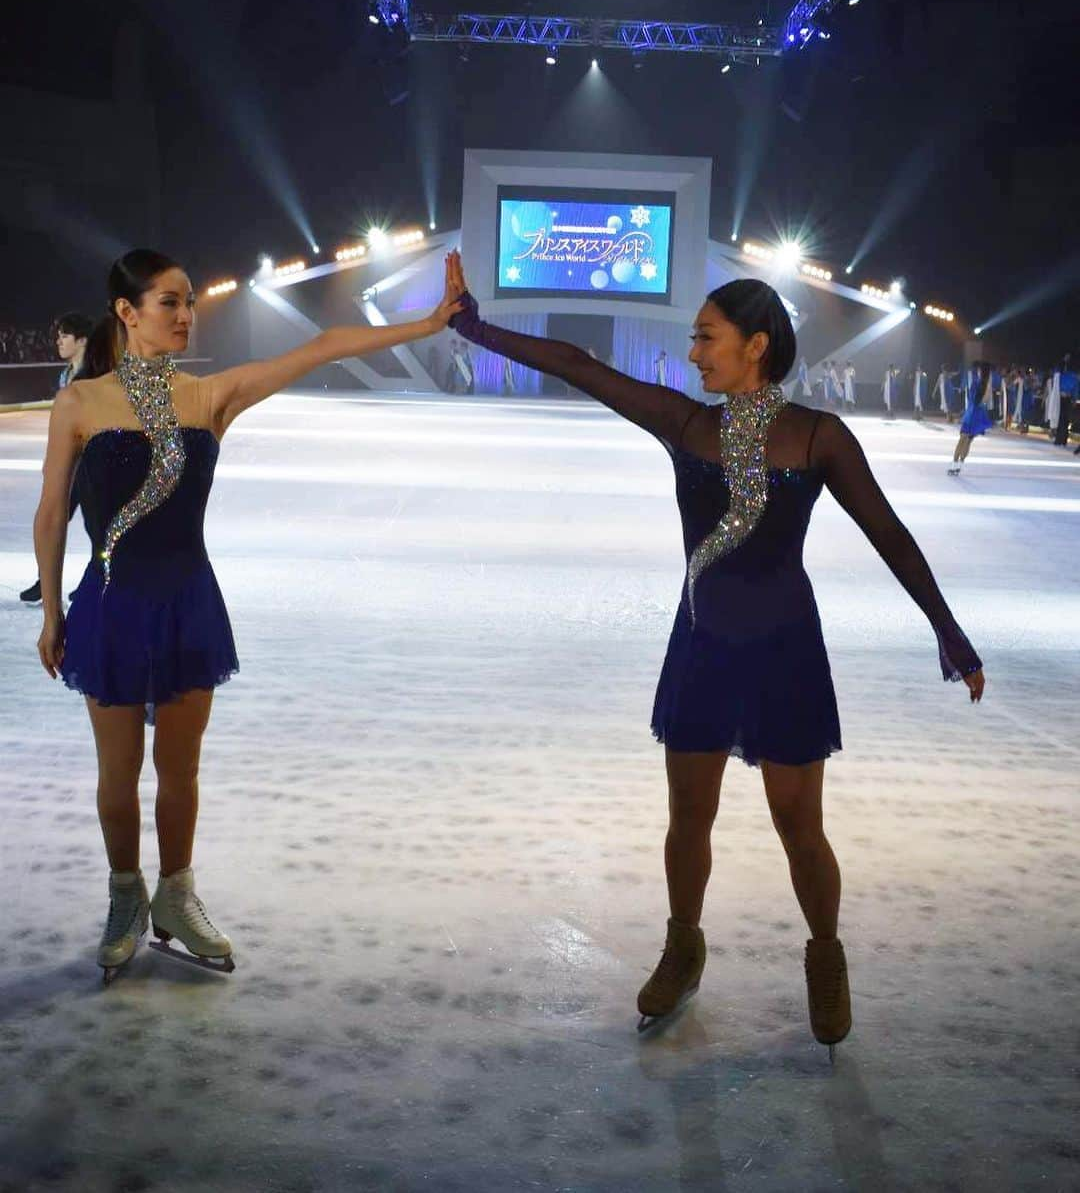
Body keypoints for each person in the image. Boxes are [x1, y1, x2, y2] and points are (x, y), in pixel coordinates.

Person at [443, 252, 984, 1056]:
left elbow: (891, 535)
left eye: (705, 338)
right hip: (701, 645)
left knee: (799, 823)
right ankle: (683, 945)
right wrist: (472, 325)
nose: (693, 353)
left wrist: (948, 627)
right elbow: (578, 366)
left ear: (756, 344)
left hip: (785, 651)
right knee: (688, 815)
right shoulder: (688, 425)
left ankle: (825, 955)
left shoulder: (817, 438)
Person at [33, 248, 462, 984]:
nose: (186, 315)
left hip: (188, 603)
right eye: (169, 302)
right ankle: (123, 895)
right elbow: (49, 511)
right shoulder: (82, 403)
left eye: (189, 301)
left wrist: (427, 322)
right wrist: (49, 606)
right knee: (118, 774)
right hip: (111, 603)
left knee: (180, 771)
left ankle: (176, 895)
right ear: (127, 313)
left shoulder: (210, 398)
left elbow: (322, 345)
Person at [20, 312, 94, 604]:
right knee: (53, 522)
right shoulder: (66, 375)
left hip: (92, 463)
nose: (58, 341)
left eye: (65, 336)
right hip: (70, 464)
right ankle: (46, 580)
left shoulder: (95, 375)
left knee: (98, 529)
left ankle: (99, 583)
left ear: (82, 340)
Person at [948, 361, 994, 475]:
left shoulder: (979, 383)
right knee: (967, 441)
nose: (977, 371)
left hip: (972, 412)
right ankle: (958, 466)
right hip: (977, 413)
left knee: (962, 439)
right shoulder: (984, 383)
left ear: (981, 371)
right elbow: (986, 401)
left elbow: (980, 399)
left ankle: (955, 465)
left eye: (979, 370)